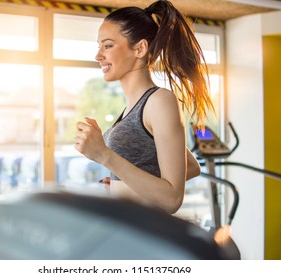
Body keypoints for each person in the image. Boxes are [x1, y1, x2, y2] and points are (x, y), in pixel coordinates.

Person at [74, 0, 214, 214]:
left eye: (108, 45)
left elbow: (172, 199)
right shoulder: (132, 106)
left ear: (140, 48)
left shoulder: (159, 101)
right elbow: (191, 166)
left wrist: (104, 155)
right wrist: (123, 187)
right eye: (99, 46)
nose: (98, 55)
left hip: (150, 237)